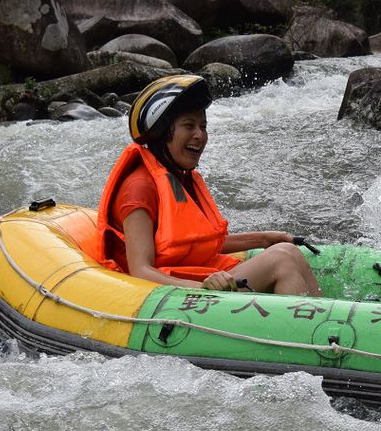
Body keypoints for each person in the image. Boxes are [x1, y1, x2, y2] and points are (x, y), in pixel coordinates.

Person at [89, 74, 321, 296]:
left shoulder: (179, 177)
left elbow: (195, 246)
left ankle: (329, 327)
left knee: (289, 252)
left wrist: (263, 239)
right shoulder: (139, 188)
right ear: (161, 133)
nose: (200, 135)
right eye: (189, 126)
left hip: (198, 278)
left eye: (203, 126)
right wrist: (199, 288)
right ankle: (307, 334)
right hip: (177, 294)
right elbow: (140, 271)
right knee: (282, 259)